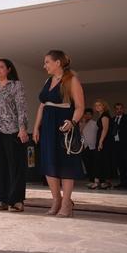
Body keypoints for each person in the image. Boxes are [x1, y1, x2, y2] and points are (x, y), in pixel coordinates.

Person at [32, 50, 85, 218]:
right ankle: (56, 199)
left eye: (47, 62)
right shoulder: (48, 80)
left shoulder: (71, 80)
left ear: (58, 63)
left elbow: (80, 107)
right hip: (47, 126)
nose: (44, 65)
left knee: (65, 164)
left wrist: (73, 122)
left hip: (64, 125)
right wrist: (35, 127)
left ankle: (67, 202)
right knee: (49, 162)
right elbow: (42, 105)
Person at [0, 59, 28, 212]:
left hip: (12, 131)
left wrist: (22, 128)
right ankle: (2, 199)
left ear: (9, 69)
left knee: (15, 167)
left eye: (1, 67)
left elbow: (21, 108)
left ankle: (16, 201)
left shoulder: (16, 85)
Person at [89, 100, 113, 190]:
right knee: (100, 160)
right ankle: (100, 181)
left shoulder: (105, 116)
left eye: (100, 105)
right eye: (96, 105)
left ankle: (101, 182)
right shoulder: (102, 115)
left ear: (104, 106)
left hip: (104, 141)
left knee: (101, 160)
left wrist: (100, 141)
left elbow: (105, 129)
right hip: (102, 140)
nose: (97, 107)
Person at [79, 108, 98, 189]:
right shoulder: (80, 123)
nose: (87, 116)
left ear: (92, 115)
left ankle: (95, 180)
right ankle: (90, 180)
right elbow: (79, 133)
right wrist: (82, 124)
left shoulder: (95, 123)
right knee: (87, 164)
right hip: (84, 146)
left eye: (89, 114)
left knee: (93, 164)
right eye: (86, 114)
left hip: (93, 146)